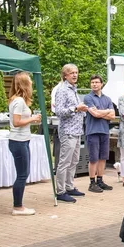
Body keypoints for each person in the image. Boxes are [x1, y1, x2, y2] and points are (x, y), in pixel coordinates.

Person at [7, 72, 41, 216]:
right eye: (30, 81)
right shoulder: (19, 101)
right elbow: (16, 122)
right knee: (22, 174)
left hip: (21, 140)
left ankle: (18, 205)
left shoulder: (17, 100)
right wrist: (32, 119)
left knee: (23, 173)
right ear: (25, 84)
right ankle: (18, 207)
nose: (32, 83)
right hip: (19, 141)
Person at [53, 64, 88, 203]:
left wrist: (83, 109)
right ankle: (60, 191)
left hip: (77, 130)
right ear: (65, 75)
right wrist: (75, 108)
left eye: (76, 72)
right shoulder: (62, 90)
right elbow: (59, 111)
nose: (75, 75)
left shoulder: (73, 89)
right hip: (67, 131)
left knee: (74, 161)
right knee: (65, 162)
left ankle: (69, 186)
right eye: (71, 73)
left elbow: (76, 108)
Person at [83, 75, 115, 193]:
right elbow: (94, 114)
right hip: (93, 131)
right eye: (92, 82)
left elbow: (113, 115)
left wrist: (101, 112)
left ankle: (100, 180)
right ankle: (92, 182)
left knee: (103, 157)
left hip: (104, 131)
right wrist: (106, 111)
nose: (94, 84)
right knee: (93, 158)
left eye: (97, 82)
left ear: (101, 84)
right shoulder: (88, 98)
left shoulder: (107, 99)